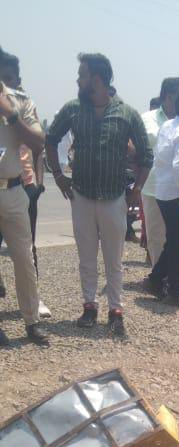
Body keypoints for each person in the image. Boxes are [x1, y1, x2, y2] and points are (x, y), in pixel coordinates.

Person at [46, 53, 153, 337]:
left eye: (81, 74)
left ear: (96, 79)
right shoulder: (72, 109)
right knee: (86, 257)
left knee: (114, 259)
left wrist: (137, 190)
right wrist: (58, 176)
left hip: (114, 198)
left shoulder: (126, 113)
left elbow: (147, 155)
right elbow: (50, 138)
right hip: (81, 196)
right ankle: (89, 306)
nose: (77, 80)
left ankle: (116, 310)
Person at [0, 47, 48, 346]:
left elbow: (38, 142)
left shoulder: (21, 102)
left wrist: (11, 115)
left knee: (25, 260)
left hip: (15, 190)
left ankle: (31, 322)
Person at [142, 89, 179, 310]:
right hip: (178, 195)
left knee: (173, 242)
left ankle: (155, 279)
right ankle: (175, 291)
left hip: (163, 192)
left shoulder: (168, 126)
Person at [141, 77, 179, 267]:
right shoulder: (147, 119)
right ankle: (159, 282)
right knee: (156, 237)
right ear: (168, 96)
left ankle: (176, 282)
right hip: (153, 189)